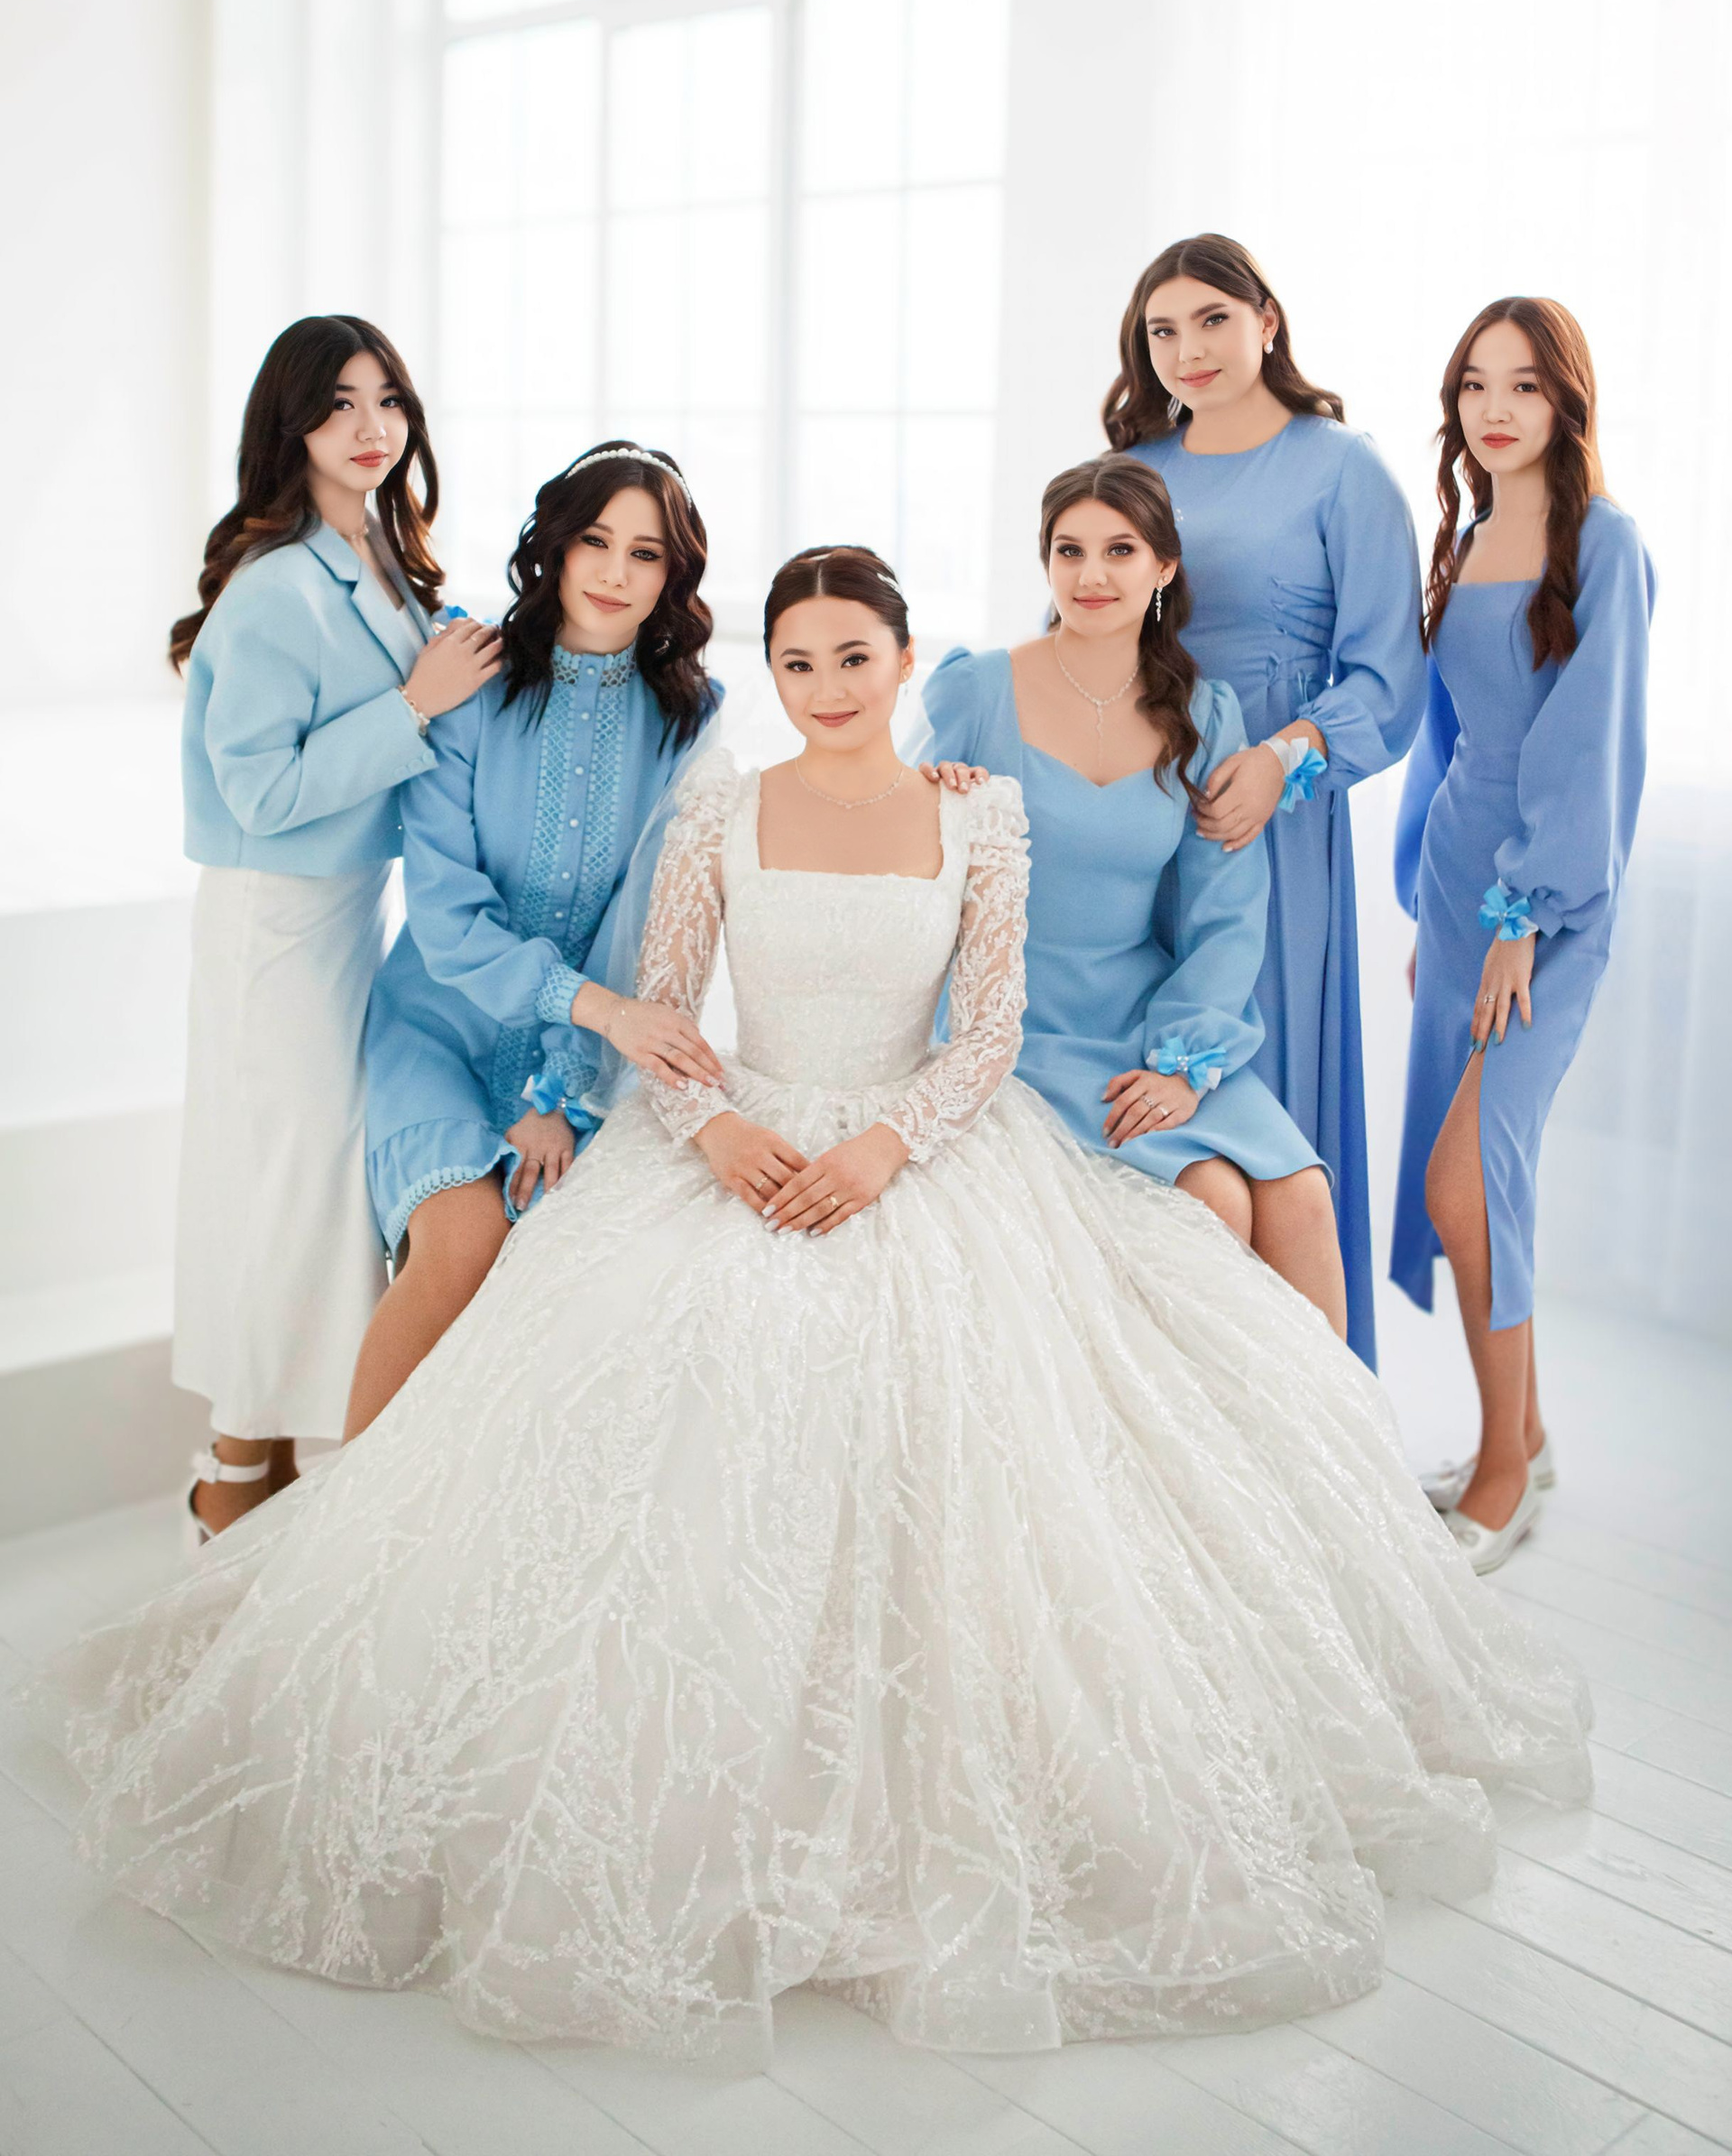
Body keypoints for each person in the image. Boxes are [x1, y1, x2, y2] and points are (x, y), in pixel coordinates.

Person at [41, 545, 1587, 2063]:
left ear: (907, 663)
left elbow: (988, 1032)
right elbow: (667, 1012)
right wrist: (719, 1132)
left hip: (918, 1141)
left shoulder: (979, 817)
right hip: (742, 1129)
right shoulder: (720, 805)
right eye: (796, 661)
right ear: (767, 671)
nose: (827, 684)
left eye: (855, 656)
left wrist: (884, 1145)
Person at [168, 315, 498, 1543]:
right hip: (278, 922)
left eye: (388, 400)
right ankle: (231, 1473)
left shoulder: (384, 556)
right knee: (284, 1188)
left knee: (313, 1188)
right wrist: (413, 704)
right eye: (340, 404)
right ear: (291, 423)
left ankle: (264, 1461)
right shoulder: (274, 587)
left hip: (354, 909)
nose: (371, 427)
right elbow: (259, 791)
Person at [349, 442, 723, 1437]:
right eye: (595, 540)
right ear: (554, 546)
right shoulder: (471, 674)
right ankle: (336, 1519)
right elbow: (443, 913)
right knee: (463, 1242)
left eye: (645, 554)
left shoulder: (688, 719)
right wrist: (594, 1015)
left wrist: (559, 1092)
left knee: (574, 1275)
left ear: (672, 576)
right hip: (436, 1028)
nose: (614, 572)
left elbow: (639, 926)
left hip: (583, 1061)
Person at [922, 454, 1345, 1332]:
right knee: (1213, 1198)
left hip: (1144, 1020)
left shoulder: (1205, 715)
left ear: (1164, 567)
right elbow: (893, 851)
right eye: (1069, 550)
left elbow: (1227, 912)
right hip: (1014, 1021)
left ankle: (1337, 1432)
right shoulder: (977, 691)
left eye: (1119, 550)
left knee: (1303, 1194)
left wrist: (1183, 1063)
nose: (1092, 574)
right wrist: (926, 802)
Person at [1109, 233, 1425, 1367]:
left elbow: (1390, 673)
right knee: (1146, 1094)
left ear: (1267, 322)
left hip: (1273, 820)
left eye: (1212, 320)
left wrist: (1284, 757)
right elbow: (1082, 615)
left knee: (1263, 1089)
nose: (1187, 350)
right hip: (1143, 808)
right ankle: (1166, 1391)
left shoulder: (1342, 467)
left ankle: (1291, 1402)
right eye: (1163, 331)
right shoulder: (1140, 467)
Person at [1392, 299, 1654, 1571]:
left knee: (1467, 1183)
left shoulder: (1606, 542)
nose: (1494, 410)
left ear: (1567, 401)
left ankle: (1505, 1472)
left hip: (1545, 904)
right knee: (1486, 1179)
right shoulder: (1469, 533)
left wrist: (1519, 920)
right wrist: (1432, 908)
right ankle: (1525, 1434)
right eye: (1474, 386)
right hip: (1460, 890)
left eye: (1524, 386)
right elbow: (1448, 742)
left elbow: (1584, 746)